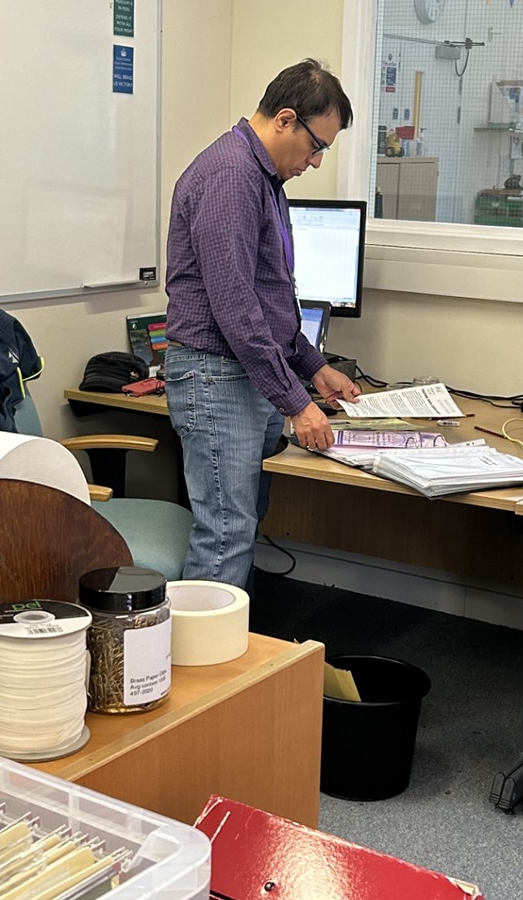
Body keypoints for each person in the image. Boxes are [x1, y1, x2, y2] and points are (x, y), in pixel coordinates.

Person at [163, 58, 361, 589]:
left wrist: (314, 368)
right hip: (217, 376)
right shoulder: (231, 177)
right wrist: (297, 403)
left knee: (239, 526)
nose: (317, 162)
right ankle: (203, 669)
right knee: (225, 534)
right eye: (316, 145)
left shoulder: (262, 176)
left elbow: (267, 300)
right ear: (285, 119)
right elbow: (234, 309)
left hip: (241, 373)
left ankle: (236, 660)